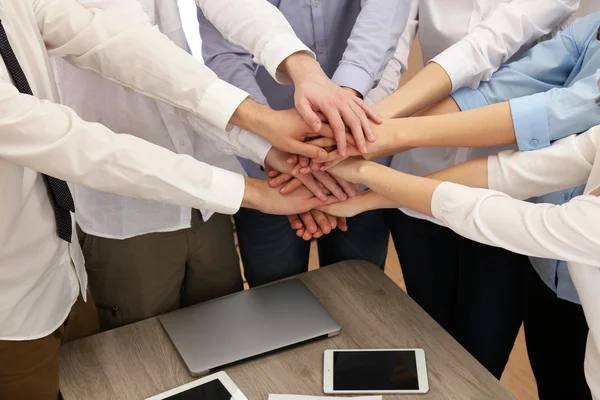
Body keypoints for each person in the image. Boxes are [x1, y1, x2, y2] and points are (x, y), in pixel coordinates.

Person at [0, 0, 379, 397]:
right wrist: (253, 189)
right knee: (141, 373)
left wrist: (272, 118)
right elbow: (80, 147)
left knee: (227, 354)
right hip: (37, 281)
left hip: (69, 266)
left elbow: (119, 44)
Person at [309, 11, 600, 397]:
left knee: (479, 366)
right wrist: (369, 184)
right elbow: (512, 171)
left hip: (549, 259)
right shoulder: (590, 38)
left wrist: (371, 153)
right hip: (547, 276)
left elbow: (498, 212)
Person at [198, 0, 411, 286]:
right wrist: (274, 148)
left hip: (359, 158)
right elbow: (225, 55)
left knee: (361, 291)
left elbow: (384, 22)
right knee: (275, 296)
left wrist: (341, 121)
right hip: (267, 168)